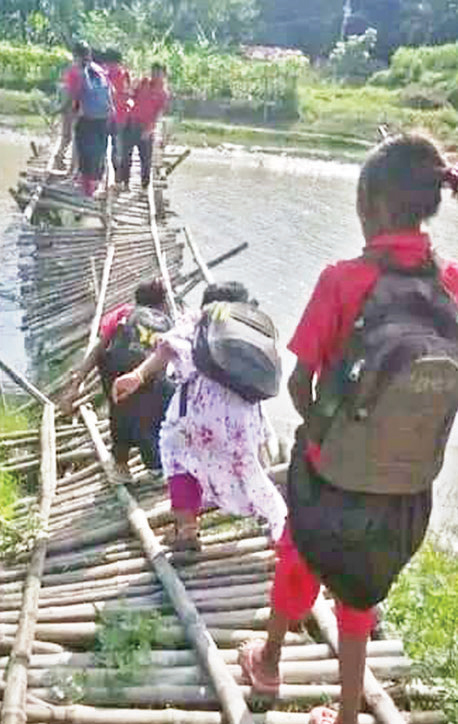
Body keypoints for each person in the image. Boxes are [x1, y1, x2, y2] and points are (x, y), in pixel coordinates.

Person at [237, 133, 458, 724]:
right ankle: (346, 715)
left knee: (301, 550)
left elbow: (297, 385)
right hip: (409, 489)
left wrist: (320, 437)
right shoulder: (452, 284)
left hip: (333, 472)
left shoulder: (342, 280)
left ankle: (269, 661)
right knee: (361, 585)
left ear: (376, 206)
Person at [112, 282, 287, 551]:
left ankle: (187, 531)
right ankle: (279, 527)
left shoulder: (201, 317)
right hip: (244, 414)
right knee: (249, 467)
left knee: (175, 452)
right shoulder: (252, 328)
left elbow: (168, 347)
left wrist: (138, 375)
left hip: (199, 409)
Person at [62, 279, 173, 479]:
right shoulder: (166, 322)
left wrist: (76, 384)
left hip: (115, 375)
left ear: (136, 300)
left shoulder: (123, 314)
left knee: (119, 416)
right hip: (148, 379)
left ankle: (121, 468)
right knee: (152, 419)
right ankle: (156, 468)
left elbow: (99, 349)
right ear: (163, 302)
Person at [117, 62, 169, 191]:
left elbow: (158, 114)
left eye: (158, 73)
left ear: (164, 75)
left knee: (145, 160)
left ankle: (145, 187)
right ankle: (125, 183)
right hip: (132, 122)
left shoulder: (163, 93)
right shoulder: (144, 82)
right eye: (153, 72)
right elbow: (132, 96)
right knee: (126, 155)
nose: (155, 75)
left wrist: (149, 129)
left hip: (146, 127)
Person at [69, 43, 113, 196]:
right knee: (99, 150)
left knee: (84, 149)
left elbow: (74, 97)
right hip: (104, 117)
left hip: (87, 118)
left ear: (77, 55)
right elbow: (109, 91)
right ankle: (96, 182)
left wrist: (70, 113)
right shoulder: (100, 70)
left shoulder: (79, 72)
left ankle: (85, 185)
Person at [53, 41, 88, 173]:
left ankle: (60, 158)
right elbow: (72, 92)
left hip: (70, 107)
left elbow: (67, 90)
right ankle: (71, 167)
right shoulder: (80, 71)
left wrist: (62, 108)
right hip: (74, 108)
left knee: (67, 136)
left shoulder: (72, 70)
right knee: (75, 138)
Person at [100, 48, 131, 174]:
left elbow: (127, 94)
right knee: (104, 145)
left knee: (117, 146)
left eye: (113, 63)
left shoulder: (124, 75)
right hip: (107, 116)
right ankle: (104, 170)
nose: (110, 66)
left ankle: (116, 172)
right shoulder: (104, 76)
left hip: (119, 116)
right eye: (109, 63)